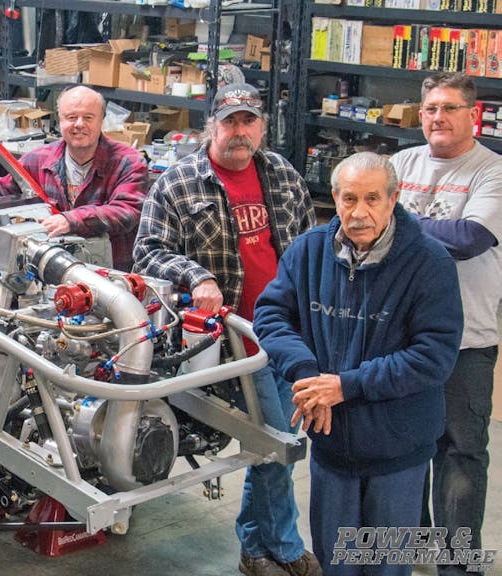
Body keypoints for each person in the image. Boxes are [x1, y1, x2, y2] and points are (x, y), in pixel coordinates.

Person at [133, 82, 320, 576]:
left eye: (248, 121)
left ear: (262, 127)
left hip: (286, 331)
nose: (239, 132)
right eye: (230, 121)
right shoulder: (177, 182)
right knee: (278, 441)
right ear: (211, 126)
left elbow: (307, 246)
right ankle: (287, 547)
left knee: (268, 445)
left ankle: (254, 550)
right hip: (232, 339)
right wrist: (198, 276)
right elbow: (146, 251)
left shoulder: (282, 173)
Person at [253, 152, 464, 576]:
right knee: (335, 560)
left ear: (393, 199)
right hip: (332, 448)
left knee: (386, 563)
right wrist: (306, 373)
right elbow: (272, 315)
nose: (359, 212)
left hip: (397, 450)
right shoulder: (308, 251)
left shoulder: (429, 262)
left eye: (372, 199)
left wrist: (346, 385)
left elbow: (433, 356)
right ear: (334, 197)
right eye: (349, 199)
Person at [389, 71, 502, 572]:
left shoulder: (491, 171)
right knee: (405, 450)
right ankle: (415, 552)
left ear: (472, 115)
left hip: (466, 341)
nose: (438, 117)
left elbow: (468, 238)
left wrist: (394, 222)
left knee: (459, 456)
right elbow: (358, 226)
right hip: (398, 337)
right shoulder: (399, 162)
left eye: (450, 108)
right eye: (431, 108)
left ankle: (459, 566)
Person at [0, 84, 148, 271]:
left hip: (111, 275)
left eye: (88, 117)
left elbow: (126, 212)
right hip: (51, 272)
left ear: (101, 121)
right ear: (60, 121)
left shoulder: (128, 162)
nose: (79, 124)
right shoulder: (37, 160)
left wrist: (71, 220)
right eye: (71, 117)